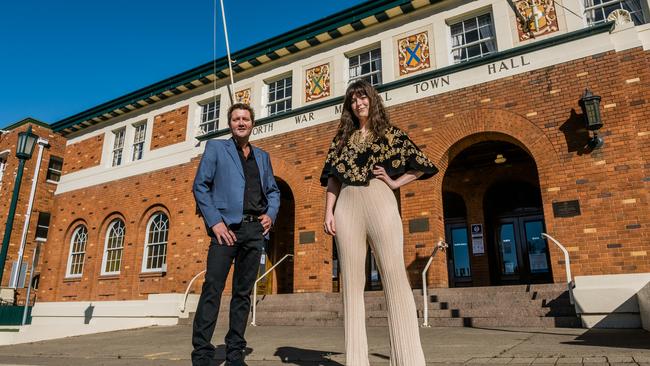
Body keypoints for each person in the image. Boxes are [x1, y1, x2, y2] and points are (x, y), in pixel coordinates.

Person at [321, 79, 438, 366]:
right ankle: (356, 361)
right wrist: (328, 212)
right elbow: (333, 179)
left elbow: (421, 164)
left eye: (363, 98)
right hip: (347, 205)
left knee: (394, 275)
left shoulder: (389, 133)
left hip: (379, 199)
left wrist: (396, 181)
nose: (359, 104)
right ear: (348, 106)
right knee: (350, 283)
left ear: (372, 100)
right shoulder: (341, 139)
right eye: (353, 100)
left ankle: (408, 359)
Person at [192, 102, 280, 366]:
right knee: (213, 289)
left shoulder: (263, 156)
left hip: (255, 231)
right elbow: (200, 186)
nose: (241, 123)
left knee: (242, 293)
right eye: (235, 119)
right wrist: (215, 222)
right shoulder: (217, 148)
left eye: (245, 119)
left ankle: (234, 354)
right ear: (230, 124)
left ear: (252, 124)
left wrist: (271, 214)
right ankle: (202, 354)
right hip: (225, 231)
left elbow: (273, 191)